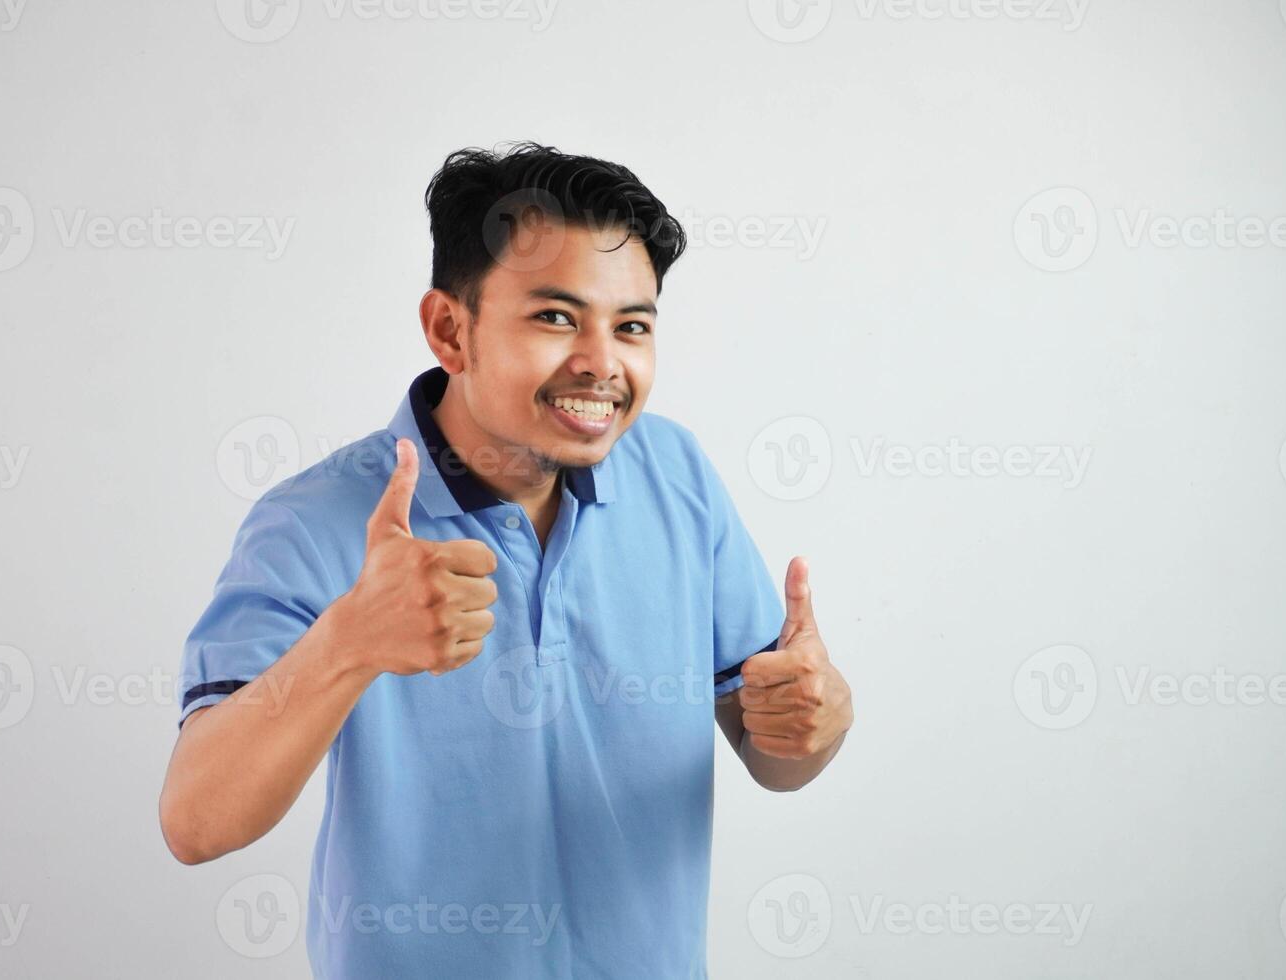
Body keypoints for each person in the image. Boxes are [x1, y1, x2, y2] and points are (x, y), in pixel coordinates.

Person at [158, 140, 853, 979]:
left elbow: (774, 755)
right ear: (451, 329)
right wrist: (349, 644)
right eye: (557, 317)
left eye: (631, 326)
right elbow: (196, 823)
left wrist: (816, 719)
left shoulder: (679, 476)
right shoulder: (315, 521)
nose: (603, 362)